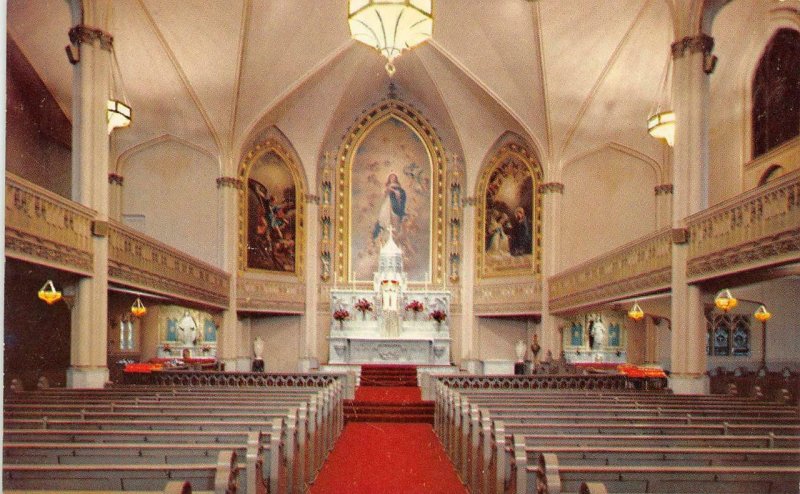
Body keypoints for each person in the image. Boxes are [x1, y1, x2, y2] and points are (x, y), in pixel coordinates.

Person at [372, 173, 406, 240]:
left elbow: (400, 195)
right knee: (385, 216)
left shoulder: (398, 187)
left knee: (394, 218)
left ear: (396, 179)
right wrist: (389, 189)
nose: (393, 179)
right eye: (391, 177)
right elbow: (384, 193)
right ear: (389, 179)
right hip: (388, 203)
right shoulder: (388, 186)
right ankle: (385, 235)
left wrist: (395, 192)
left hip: (395, 204)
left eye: (394, 177)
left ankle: (394, 235)